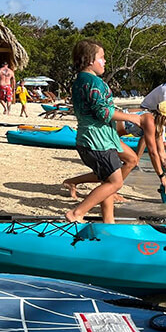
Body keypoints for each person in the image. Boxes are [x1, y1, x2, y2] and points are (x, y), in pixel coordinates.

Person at [64, 39, 142, 224]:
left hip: (87, 139)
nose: (105, 61)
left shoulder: (79, 81)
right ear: (90, 59)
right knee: (115, 182)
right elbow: (104, 112)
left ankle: (109, 221)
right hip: (98, 142)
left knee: (107, 181)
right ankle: (76, 213)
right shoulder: (95, 82)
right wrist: (132, 118)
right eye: (102, 57)